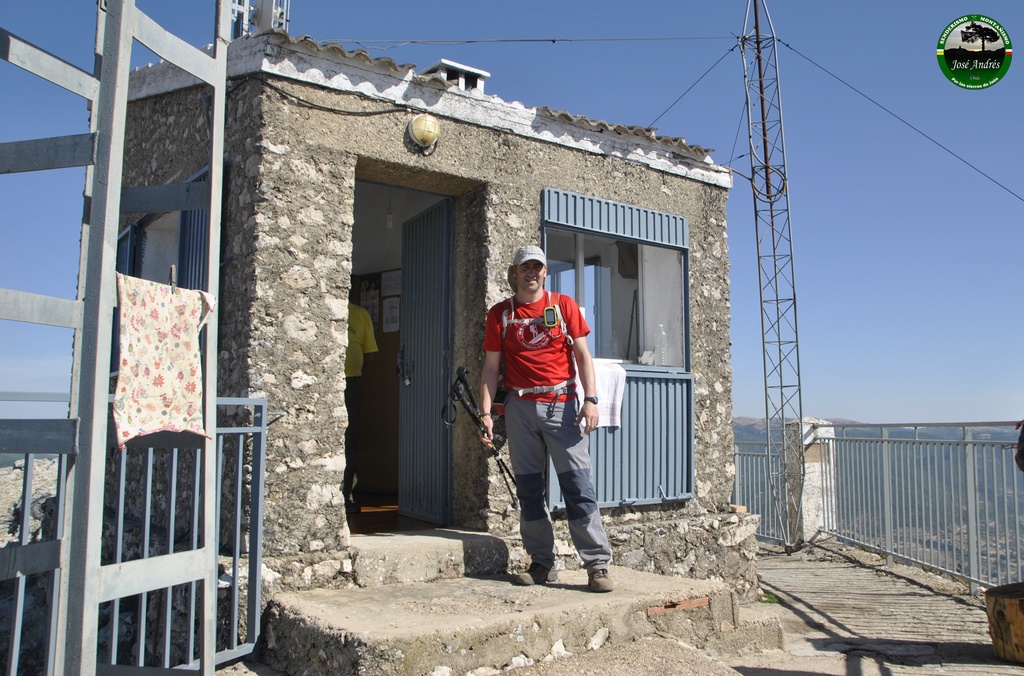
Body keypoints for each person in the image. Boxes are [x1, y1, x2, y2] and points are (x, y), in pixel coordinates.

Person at [478, 245, 614, 593]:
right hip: (520, 407)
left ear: (545, 272)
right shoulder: (501, 314)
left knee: (578, 486)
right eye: (525, 267)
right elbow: (491, 368)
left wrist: (592, 400)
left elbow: (583, 356)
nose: (532, 273)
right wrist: (485, 413)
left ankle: (597, 566)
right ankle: (542, 563)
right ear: (514, 272)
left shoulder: (563, 306)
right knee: (529, 490)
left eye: (538, 267)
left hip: (563, 404)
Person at [344, 296, 378, 513]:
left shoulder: (360, 314)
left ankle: (346, 495)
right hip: (339, 382)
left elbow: (371, 354)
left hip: (351, 385)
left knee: (351, 439)